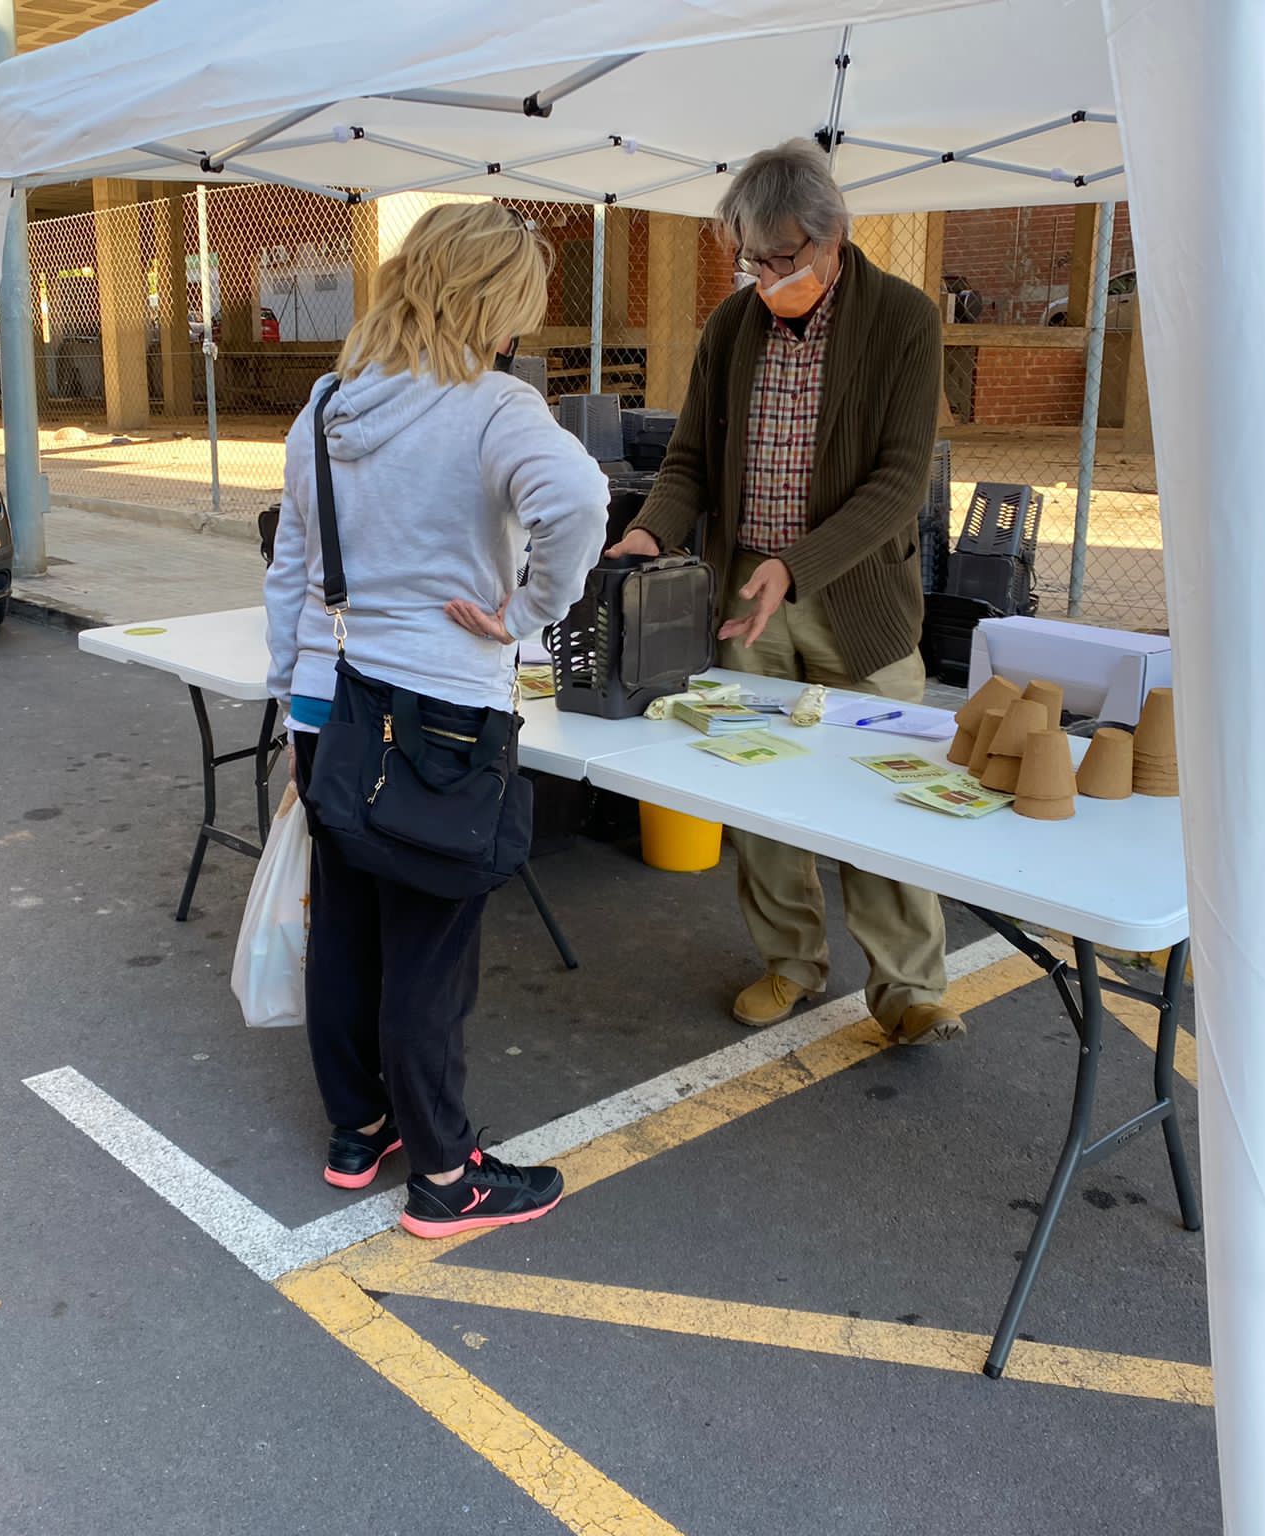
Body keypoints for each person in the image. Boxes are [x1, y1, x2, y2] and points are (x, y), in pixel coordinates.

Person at [265, 202, 608, 1236]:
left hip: (332, 697)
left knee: (349, 925)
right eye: (517, 310)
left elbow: (290, 568)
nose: (518, 333)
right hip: (439, 709)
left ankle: (356, 1129)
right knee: (427, 945)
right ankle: (447, 1174)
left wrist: (292, 708)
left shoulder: (327, 403)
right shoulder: (494, 407)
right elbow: (580, 502)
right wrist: (528, 615)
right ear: (491, 302)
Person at [609, 140, 961, 1045]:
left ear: (833, 236)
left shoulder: (904, 322)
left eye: (785, 258)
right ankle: (792, 963)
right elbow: (688, 462)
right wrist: (651, 530)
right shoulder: (733, 329)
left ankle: (910, 987)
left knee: (885, 795)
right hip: (743, 600)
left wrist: (795, 566)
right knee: (760, 796)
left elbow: (898, 483)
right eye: (754, 260)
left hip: (857, 602)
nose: (769, 277)